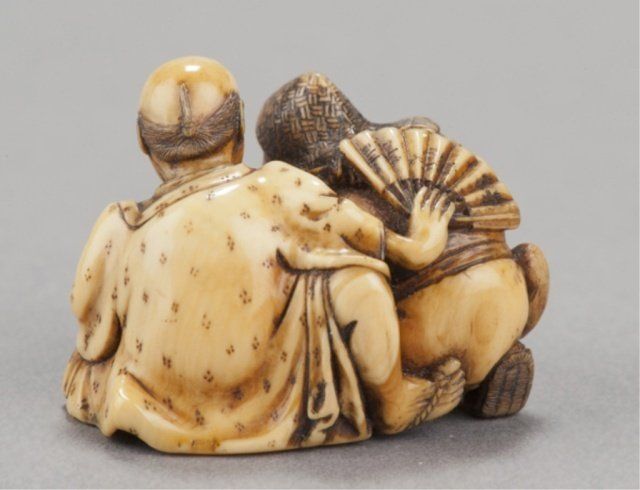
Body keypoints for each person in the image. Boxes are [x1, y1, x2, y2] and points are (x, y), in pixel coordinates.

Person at [63, 56, 464, 454]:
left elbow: (91, 332)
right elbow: (378, 241)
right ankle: (392, 399)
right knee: (358, 282)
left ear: (142, 140)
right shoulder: (279, 186)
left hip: (152, 398)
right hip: (269, 390)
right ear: (239, 127)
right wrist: (423, 243)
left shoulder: (121, 226)